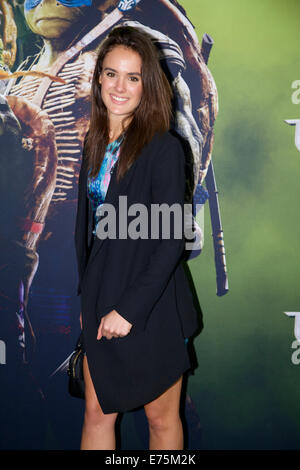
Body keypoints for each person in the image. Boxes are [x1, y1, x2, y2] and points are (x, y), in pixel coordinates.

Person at [75, 25, 199, 450]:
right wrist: (88, 301)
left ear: (148, 86)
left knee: (160, 421)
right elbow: (88, 237)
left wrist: (128, 310)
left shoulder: (164, 148)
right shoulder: (92, 142)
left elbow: (169, 242)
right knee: (96, 411)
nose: (120, 86)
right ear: (99, 78)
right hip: (102, 297)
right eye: (111, 73)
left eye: (133, 77)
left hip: (153, 304)